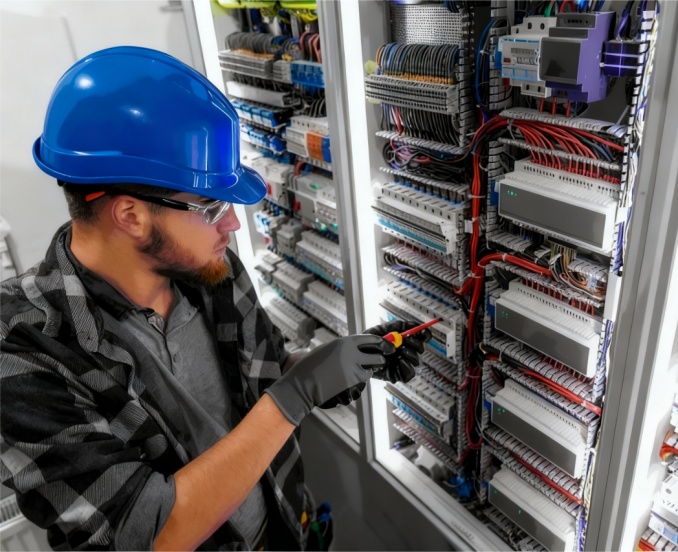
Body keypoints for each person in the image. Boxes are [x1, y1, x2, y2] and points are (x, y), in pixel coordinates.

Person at [0, 46, 430, 551]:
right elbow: (146, 535)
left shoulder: (206, 269)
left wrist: (334, 369)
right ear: (131, 216)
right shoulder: (24, 350)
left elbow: (258, 379)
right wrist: (300, 394)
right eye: (211, 206)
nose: (231, 224)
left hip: (285, 528)